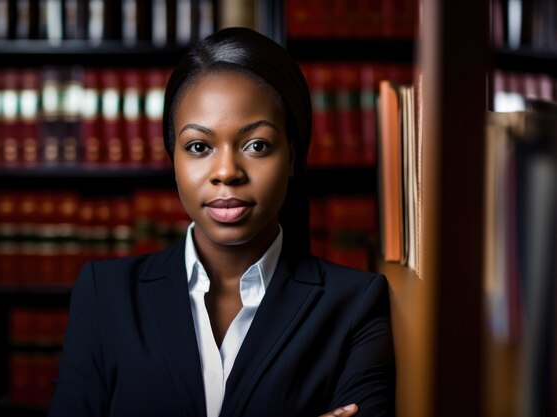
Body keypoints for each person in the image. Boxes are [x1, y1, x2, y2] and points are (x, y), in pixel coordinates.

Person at [48, 27, 395, 417]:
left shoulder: (354, 304)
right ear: (173, 158)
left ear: (293, 157)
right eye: (199, 147)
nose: (226, 172)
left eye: (257, 145)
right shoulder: (105, 295)